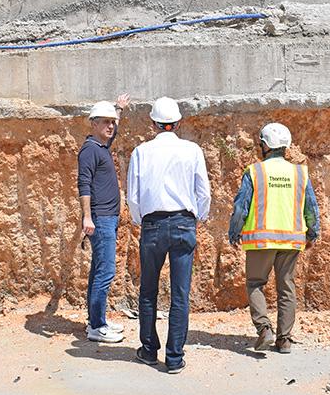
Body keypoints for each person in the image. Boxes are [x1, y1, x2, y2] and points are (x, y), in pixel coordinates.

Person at [126, 97, 211, 374]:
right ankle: (174, 357)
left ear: (152, 123)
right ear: (177, 122)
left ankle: (149, 350)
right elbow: (203, 192)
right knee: (180, 293)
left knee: (148, 290)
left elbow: (134, 195)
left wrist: (141, 220)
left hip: (152, 224)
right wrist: (197, 216)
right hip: (183, 223)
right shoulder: (192, 150)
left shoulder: (141, 151)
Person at [228, 123, 319, 354]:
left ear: (265, 145)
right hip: (291, 241)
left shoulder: (255, 172)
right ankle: (285, 339)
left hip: (261, 242)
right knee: (286, 288)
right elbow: (311, 208)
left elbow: (241, 207)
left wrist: (234, 231)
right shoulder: (300, 173)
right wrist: (313, 232)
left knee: (255, 284)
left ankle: (264, 328)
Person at [78, 93, 131, 343]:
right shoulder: (89, 150)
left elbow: (113, 134)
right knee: (106, 272)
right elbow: (84, 185)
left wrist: (118, 109)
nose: (110, 126)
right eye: (105, 122)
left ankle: (95, 320)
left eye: (113, 122)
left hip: (107, 218)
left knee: (98, 270)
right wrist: (87, 218)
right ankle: (97, 326)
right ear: (93, 124)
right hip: (100, 219)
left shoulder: (101, 147)